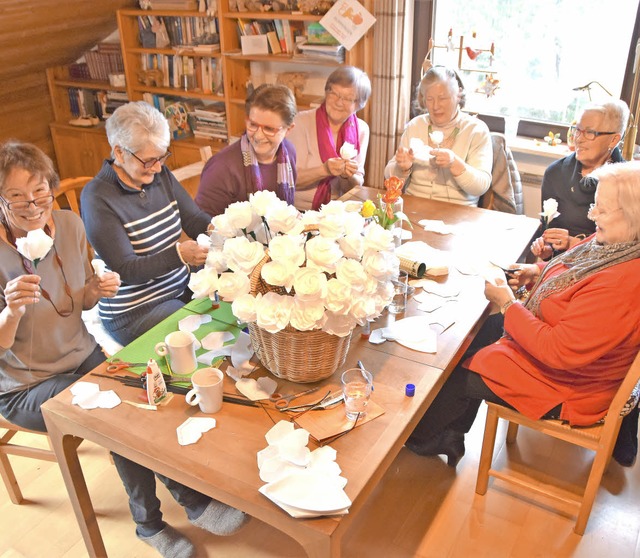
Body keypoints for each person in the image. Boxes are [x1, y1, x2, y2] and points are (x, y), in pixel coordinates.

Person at [406, 161, 640, 468]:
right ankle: (449, 432)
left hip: (569, 386)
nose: (592, 214)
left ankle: (424, 437)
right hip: (562, 359)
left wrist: (508, 304)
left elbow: (558, 351)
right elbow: (573, 270)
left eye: (603, 210)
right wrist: (537, 271)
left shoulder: (623, 282)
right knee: (477, 332)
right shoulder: (617, 247)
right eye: (595, 204)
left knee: (461, 367)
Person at [81, 101, 211, 347]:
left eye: (162, 157)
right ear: (119, 153)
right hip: (135, 311)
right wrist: (180, 254)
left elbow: (193, 219)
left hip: (179, 288)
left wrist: (219, 230)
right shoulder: (97, 197)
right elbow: (127, 270)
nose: (158, 167)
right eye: (149, 160)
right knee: (203, 336)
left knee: (233, 306)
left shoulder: (159, 175)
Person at [531, 99, 629, 260]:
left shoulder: (626, 184)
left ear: (614, 140)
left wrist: (573, 243)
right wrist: (547, 248)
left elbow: (624, 252)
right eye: (577, 130)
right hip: (559, 267)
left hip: (601, 272)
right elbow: (549, 235)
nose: (578, 138)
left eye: (590, 133)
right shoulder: (555, 173)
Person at [385, 66, 492, 206]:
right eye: (430, 99)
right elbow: (389, 175)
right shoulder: (415, 126)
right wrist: (402, 167)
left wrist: (455, 163)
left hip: (459, 212)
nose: (435, 106)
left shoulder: (476, 130)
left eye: (443, 98)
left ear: (458, 95)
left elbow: (481, 185)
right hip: (415, 206)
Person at [195, 84, 297, 216]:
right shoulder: (221, 168)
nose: (258, 136)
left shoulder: (289, 152)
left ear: (288, 129)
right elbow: (203, 226)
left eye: (269, 129)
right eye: (253, 125)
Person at [288, 66, 371, 210]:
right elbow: (290, 179)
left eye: (348, 99)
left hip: (339, 210)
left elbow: (356, 186)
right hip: (300, 210)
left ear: (358, 104)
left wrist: (347, 176)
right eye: (334, 93)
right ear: (326, 92)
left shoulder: (361, 129)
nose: (339, 102)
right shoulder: (301, 122)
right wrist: (325, 170)